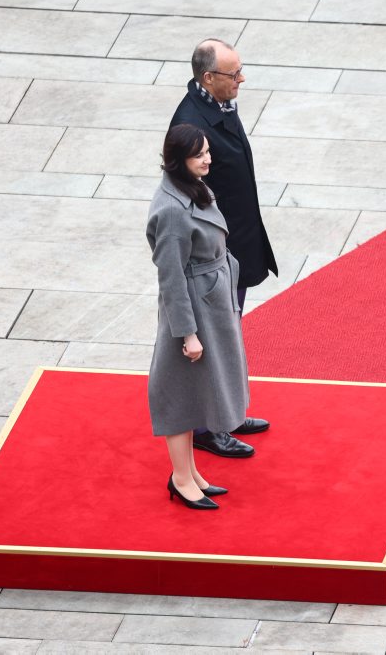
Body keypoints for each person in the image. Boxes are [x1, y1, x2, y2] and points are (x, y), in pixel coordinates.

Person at [170, 38, 278, 459]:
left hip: (234, 246)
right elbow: (186, 199)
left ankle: (228, 412)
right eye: (234, 74)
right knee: (212, 338)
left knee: (228, 334)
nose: (242, 79)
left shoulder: (217, 106)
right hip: (213, 257)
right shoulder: (192, 125)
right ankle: (207, 427)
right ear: (208, 78)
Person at [146, 124, 251, 509]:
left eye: (207, 151)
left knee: (195, 393)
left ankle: (190, 474)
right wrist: (188, 334)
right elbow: (170, 278)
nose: (208, 158)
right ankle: (180, 478)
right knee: (179, 397)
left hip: (210, 301)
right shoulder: (173, 210)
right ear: (179, 160)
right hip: (192, 309)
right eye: (199, 154)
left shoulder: (191, 188)